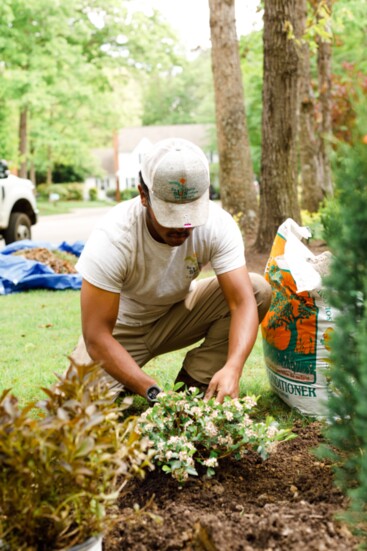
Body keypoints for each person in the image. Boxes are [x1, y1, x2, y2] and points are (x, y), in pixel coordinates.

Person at [71, 138, 271, 405]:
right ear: (144, 196)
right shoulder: (113, 237)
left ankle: (195, 383)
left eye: (190, 213)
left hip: (178, 314)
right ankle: (126, 378)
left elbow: (242, 302)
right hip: (121, 331)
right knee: (74, 407)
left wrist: (233, 367)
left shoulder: (217, 224)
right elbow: (96, 337)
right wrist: (151, 390)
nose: (183, 226)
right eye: (171, 215)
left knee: (257, 289)